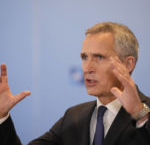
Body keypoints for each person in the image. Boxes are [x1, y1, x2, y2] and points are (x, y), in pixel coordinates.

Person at [0, 22, 150, 145]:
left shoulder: (145, 115)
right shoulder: (73, 117)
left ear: (128, 64)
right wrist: (2, 116)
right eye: (84, 57)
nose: (87, 68)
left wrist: (140, 115)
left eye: (99, 57)